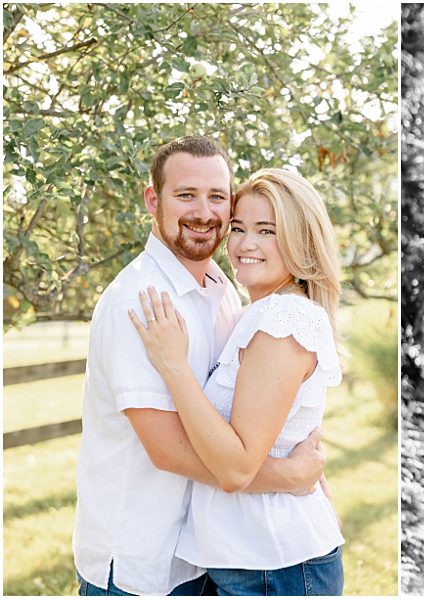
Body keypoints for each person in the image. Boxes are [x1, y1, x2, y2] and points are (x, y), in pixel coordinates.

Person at [73, 137, 326, 596]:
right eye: (186, 195)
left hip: (206, 557)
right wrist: (290, 475)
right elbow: (167, 450)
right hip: (142, 565)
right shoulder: (142, 301)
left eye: (217, 197)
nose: (204, 212)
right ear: (154, 200)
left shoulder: (225, 289)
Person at [129, 168, 346, 596]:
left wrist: (173, 365)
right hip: (250, 559)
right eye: (239, 228)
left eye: (267, 230)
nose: (245, 244)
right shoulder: (260, 314)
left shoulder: (282, 319)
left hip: (273, 564)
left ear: (299, 240)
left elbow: (236, 467)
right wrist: (298, 473)